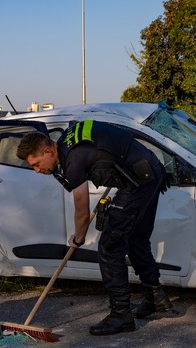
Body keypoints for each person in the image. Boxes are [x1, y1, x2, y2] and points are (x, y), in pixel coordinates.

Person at [16, 120, 175, 336]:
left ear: (47, 151)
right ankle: (155, 296)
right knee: (136, 237)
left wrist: (78, 238)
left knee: (110, 246)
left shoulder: (72, 159)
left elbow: (81, 210)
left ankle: (121, 315)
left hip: (140, 179)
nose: (36, 170)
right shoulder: (69, 141)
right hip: (149, 171)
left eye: (36, 164)